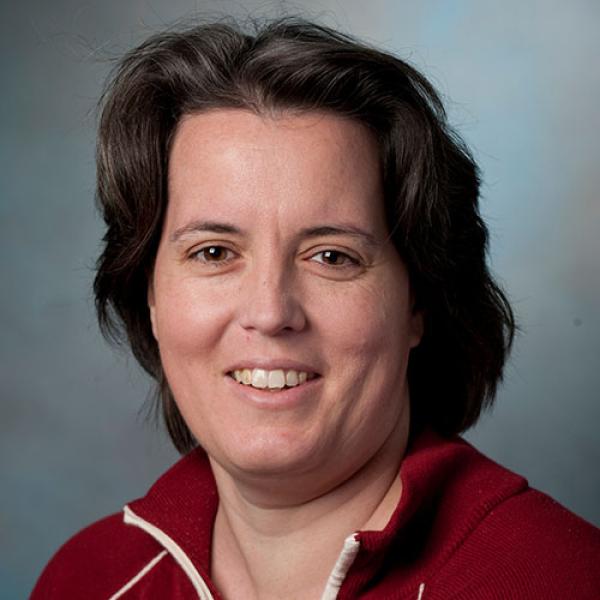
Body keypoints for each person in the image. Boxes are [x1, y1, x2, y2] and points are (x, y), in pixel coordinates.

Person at [31, 18, 599, 600]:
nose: (271, 311)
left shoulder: (555, 578)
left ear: (418, 302)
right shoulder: (87, 579)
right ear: (149, 294)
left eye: (331, 256)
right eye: (214, 252)